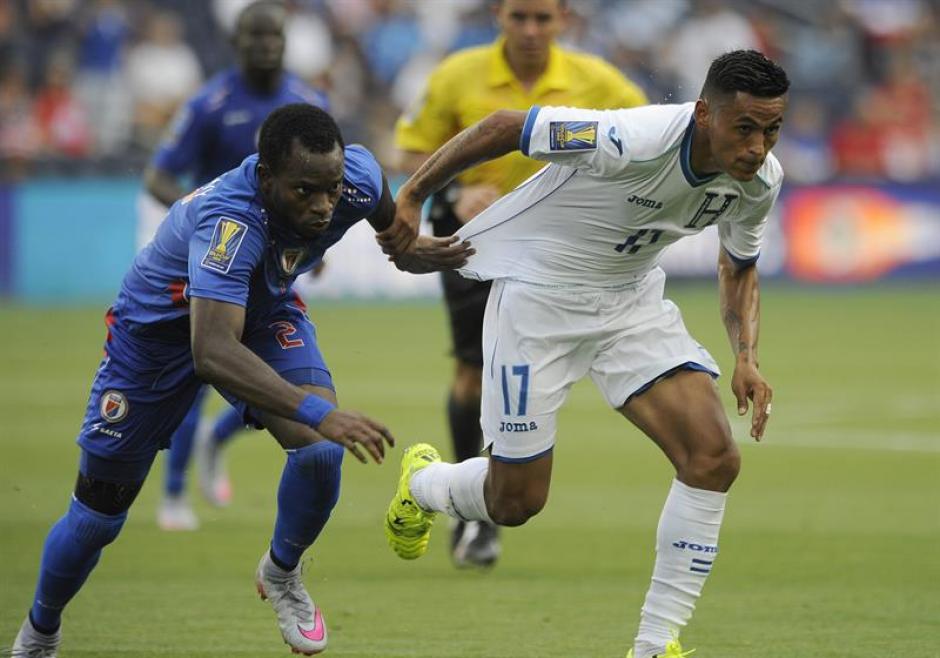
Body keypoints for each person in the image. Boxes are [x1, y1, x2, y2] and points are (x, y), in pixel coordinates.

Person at [11, 103, 470, 657]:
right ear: (265, 177)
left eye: (331, 188)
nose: (324, 206)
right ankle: (39, 632)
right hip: (156, 341)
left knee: (320, 452)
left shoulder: (357, 178)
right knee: (98, 515)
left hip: (262, 313)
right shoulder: (231, 220)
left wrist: (411, 250)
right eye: (305, 192)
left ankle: (281, 572)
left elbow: (386, 220)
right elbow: (211, 352)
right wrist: (319, 409)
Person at [382, 49, 788, 658]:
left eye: (772, 130)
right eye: (746, 128)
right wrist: (410, 198)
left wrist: (747, 356)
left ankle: (655, 644)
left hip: (629, 304)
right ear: (705, 113)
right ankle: (426, 481)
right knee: (514, 502)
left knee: (712, 458)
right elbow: (503, 127)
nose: (758, 147)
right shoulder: (635, 137)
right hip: (538, 302)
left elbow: (738, 266)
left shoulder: (760, 181)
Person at [393, 0, 648, 568]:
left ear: (563, 21)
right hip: (471, 234)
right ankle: (474, 519)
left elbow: (646, 141)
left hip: (557, 248)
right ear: (499, 19)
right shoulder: (457, 75)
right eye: (519, 17)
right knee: (473, 368)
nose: (531, 30)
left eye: (542, 19)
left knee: (520, 374)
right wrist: (456, 192)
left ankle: (485, 499)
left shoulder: (595, 80)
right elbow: (410, 148)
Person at [141, 0, 330, 530]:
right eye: (256, 37)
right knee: (202, 369)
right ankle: (175, 494)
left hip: (272, 263)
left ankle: (218, 437)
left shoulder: (307, 101)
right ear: (237, 42)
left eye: (275, 37)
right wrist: (195, 224)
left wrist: (317, 246)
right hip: (214, 260)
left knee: (275, 371)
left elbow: (323, 181)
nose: (266, 46)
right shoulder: (210, 102)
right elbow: (158, 176)